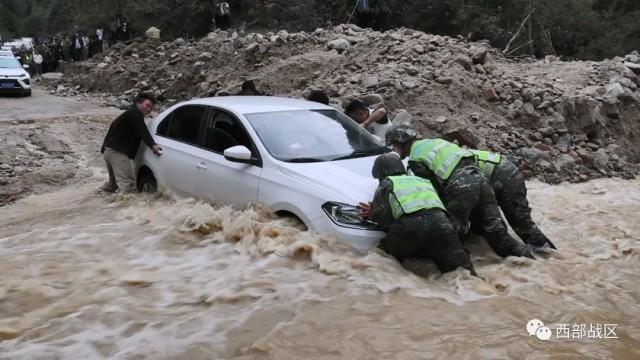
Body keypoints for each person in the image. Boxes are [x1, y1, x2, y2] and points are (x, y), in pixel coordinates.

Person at [385, 124, 534, 259]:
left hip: (461, 185)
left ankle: (464, 273)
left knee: (450, 234)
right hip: (481, 180)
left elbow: (431, 194)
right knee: (499, 236)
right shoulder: (435, 142)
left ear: (400, 142)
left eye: (393, 146)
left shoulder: (415, 159)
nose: (393, 149)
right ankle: (539, 261)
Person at [358, 153, 477, 275]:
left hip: (410, 227)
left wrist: (373, 213)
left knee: (381, 260)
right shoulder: (423, 181)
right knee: (463, 272)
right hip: (443, 224)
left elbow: (385, 219)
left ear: (381, 173)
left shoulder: (387, 183)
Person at [470, 149, 556, 250]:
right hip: (486, 181)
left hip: (506, 177)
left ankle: (551, 257)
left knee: (523, 226)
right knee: (481, 226)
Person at [100, 93, 162, 193]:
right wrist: (153, 145)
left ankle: (94, 199)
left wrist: (104, 149)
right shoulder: (135, 114)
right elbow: (142, 130)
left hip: (109, 151)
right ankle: (120, 208)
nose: (149, 109)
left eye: (151, 107)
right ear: (138, 103)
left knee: (113, 185)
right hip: (118, 153)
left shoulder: (128, 114)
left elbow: (111, 130)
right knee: (127, 186)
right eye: (147, 105)